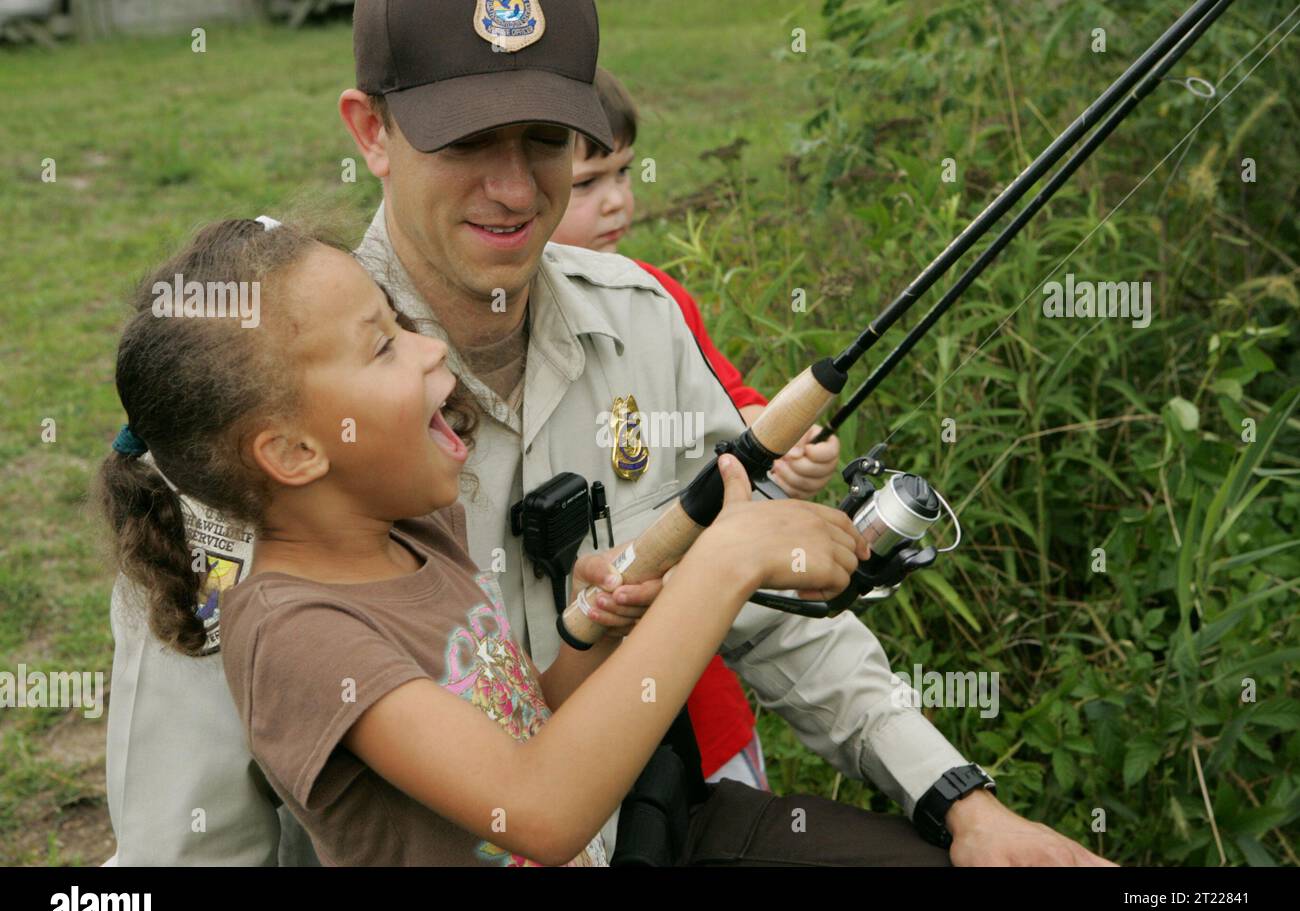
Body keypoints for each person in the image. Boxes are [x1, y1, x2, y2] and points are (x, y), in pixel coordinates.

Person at [103, 0, 1114, 867]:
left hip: (658, 821)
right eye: (466, 141)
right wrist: (718, 559)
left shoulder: (638, 318)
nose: (513, 187)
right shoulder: (240, 436)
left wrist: (960, 801)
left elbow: (757, 622)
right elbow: (185, 837)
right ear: (369, 129)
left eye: (545, 138)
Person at [95, 214, 870, 865]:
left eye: (398, 322)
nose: (429, 346)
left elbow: (516, 728)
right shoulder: (297, 635)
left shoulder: (415, 536)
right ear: (294, 453)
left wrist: (584, 635)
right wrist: (724, 567)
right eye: (383, 346)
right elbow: (535, 809)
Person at [550, 65, 848, 791]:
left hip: (705, 719)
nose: (617, 200)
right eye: (588, 183)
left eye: (622, 172)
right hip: (565, 725)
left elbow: (737, 411)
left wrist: (788, 449)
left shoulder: (656, 298)